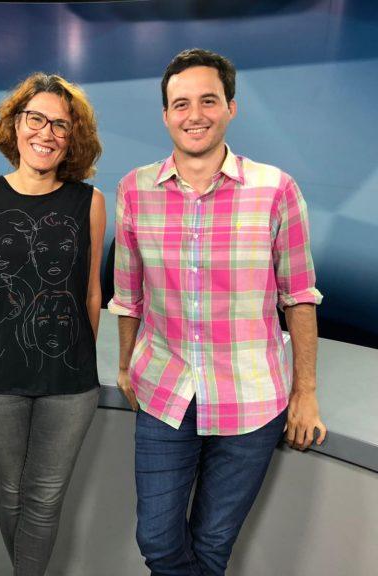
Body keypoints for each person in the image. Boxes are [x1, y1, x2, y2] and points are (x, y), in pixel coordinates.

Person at [109, 48, 327, 575]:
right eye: (181, 104)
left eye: (208, 100)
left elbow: (299, 296)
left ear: (231, 107)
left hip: (252, 398)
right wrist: (124, 365)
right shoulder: (135, 190)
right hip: (165, 391)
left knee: (211, 546)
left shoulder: (276, 189)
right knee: (158, 542)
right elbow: (129, 296)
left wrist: (305, 393)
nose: (195, 115)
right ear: (166, 115)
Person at [0, 72, 105, 575]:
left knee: (45, 497)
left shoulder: (90, 202)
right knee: (12, 493)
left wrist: (82, 353)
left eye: (60, 124)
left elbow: (91, 292)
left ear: (73, 136)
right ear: (15, 124)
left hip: (70, 381)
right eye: (35, 119)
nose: (46, 133)